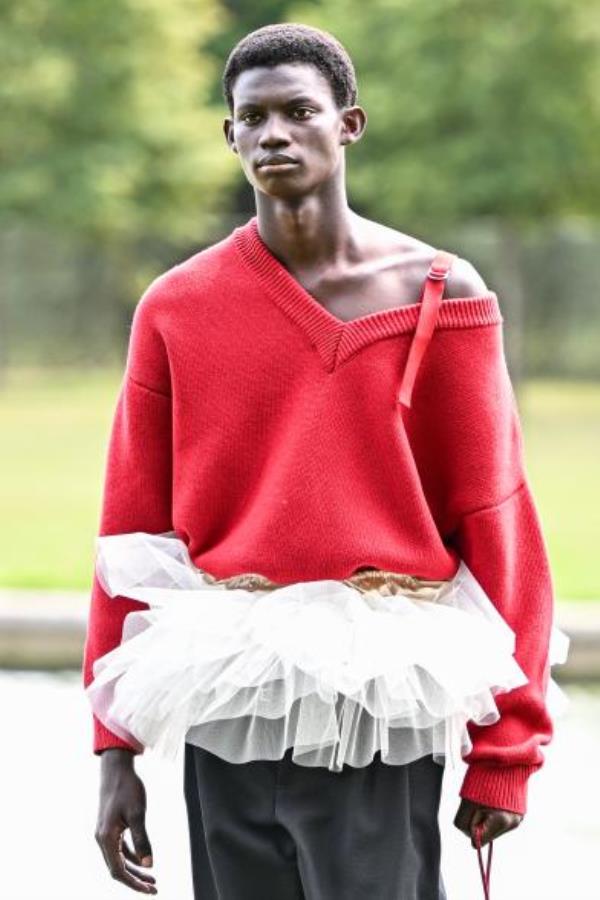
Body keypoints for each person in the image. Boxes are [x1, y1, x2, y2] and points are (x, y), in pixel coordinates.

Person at [82, 22, 569, 899]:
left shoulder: (444, 296)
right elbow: (131, 532)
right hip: (226, 687)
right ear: (228, 136)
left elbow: (498, 520)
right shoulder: (175, 308)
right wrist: (113, 748)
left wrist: (508, 751)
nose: (274, 134)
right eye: (252, 117)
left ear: (349, 124)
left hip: (380, 693)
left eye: (299, 111)